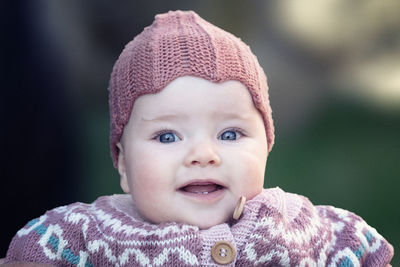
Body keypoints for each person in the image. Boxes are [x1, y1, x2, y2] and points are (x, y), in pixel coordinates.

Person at [3, 10, 394, 266]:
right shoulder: (83, 235)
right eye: (168, 136)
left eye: (230, 133)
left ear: (266, 146)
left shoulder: (305, 227)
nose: (204, 154)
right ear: (123, 164)